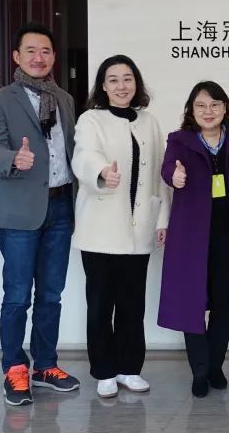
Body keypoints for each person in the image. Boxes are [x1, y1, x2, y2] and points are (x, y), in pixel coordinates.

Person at [0, 22, 79, 407]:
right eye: (31, 51)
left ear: (54, 57)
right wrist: (13, 158)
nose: (39, 58)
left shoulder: (65, 99)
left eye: (46, 51)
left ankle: (46, 365)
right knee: (18, 295)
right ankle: (14, 367)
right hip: (19, 209)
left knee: (51, 294)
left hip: (61, 205)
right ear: (16, 56)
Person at [71, 55, 169, 399]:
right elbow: (83, 155)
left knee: (132, 303)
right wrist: (101, 171)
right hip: (99, 230)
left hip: (139, 228)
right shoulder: (90, 119)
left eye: (127, 79)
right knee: (100, 304)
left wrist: (162, 219)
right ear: (103, 85)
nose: (121, 86)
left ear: (136, 83)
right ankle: (104, 371)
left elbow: (160, 174)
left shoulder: (149, 122)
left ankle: (130, 368)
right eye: (113, 79)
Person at [158, 81, 229, 397]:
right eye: (201, 105)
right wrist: (174, 176)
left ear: (225, 108)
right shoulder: (179, 140)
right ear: (191, 110)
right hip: (191, 237)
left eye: (215, 105)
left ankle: (215, 366)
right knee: (192, 303)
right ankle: (199, 371)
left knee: (224, 301)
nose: (208, 111)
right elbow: (167, 169)